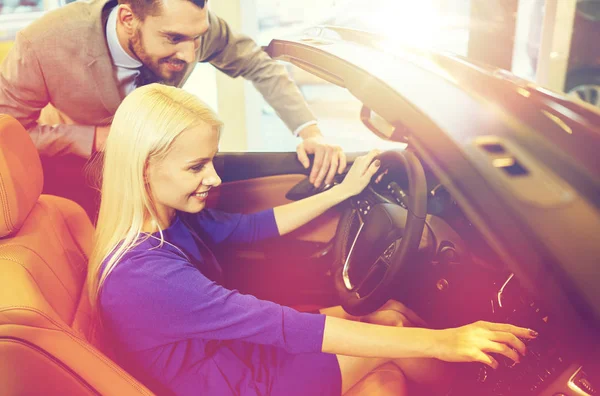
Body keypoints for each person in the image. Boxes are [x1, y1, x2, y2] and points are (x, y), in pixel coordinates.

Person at [88, 84, 537, 396]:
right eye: (196, 167)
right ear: (144, 167)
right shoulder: (142, 273)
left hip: (242, 358)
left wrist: (341, 192)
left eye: (212, 161)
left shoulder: (168, 222)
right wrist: (446, 342)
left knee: (390, 314)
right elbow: (275, 325)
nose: (214, 177)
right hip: (246, 386)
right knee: (395, 327)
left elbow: (253, 228)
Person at [0, 0, 343, 219]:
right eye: (174, 39)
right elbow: (9, 130)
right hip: (77, 171)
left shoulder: (191, 27)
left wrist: (309, 131)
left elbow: (258, 64)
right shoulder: (44, 43)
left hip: (155, 171)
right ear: (128, 18)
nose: (191, 55)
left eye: (197, 39)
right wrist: (94, 139)